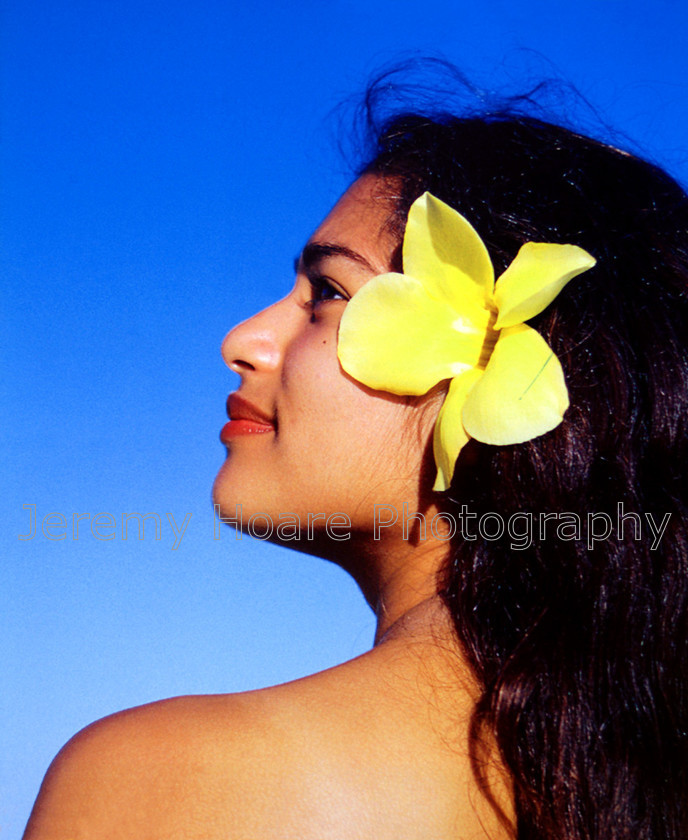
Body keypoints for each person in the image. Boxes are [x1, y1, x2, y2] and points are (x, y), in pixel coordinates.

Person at [23, 70, 688, 840]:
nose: (243, 341)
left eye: (330, 292)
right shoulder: (633, 778)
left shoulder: (162, 780)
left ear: (509, 359)